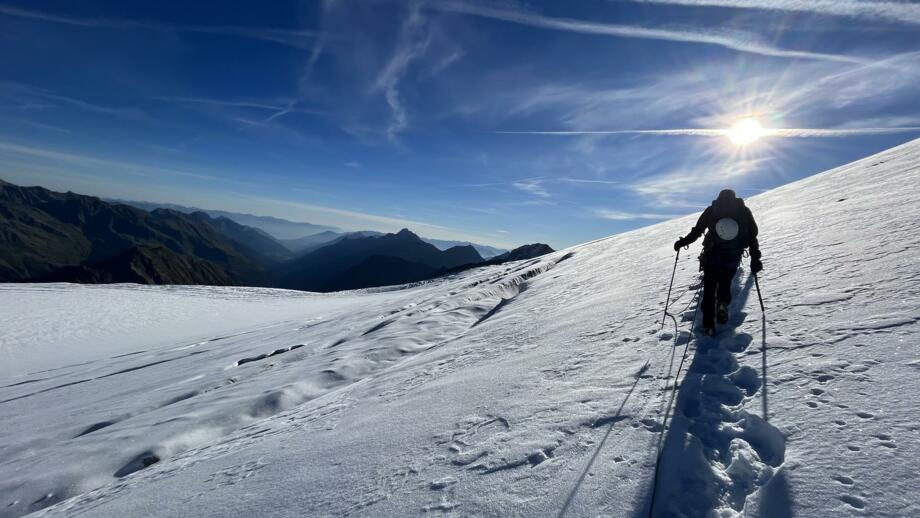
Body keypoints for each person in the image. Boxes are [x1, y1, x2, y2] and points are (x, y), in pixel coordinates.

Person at [673, 189, 762, 336]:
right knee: (725, 282)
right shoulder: (743, 211)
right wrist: (755, 258)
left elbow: (697, 231)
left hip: (712, 255)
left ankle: (708, 325)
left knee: (709, 288)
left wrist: (682, 242)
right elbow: (753, 235)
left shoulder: (712, 210)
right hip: (733, 256)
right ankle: (722, 303)